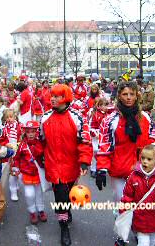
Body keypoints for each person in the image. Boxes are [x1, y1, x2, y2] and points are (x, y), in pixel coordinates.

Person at [40, 84, 93, 246]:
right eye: (52, 96)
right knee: (60, 196)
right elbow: (41, 141)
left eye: (57, 96)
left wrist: (84, 161)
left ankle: (66, 210)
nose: (53, 99)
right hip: (53, 165)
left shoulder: (77, 117)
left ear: (66, 98)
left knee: (68, 195)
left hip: (71, 166)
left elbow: (84, 141)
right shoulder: (45, 118)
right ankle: (64, 227)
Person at [96, 81, 155, 206]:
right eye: (125, 94)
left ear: (137, 96)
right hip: (119, 169)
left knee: (139, 205)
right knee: (122, 205)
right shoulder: (110, 120)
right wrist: (101, 169)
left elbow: (152, 138)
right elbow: (105, 145)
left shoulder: (145, 117)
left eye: (132, 94)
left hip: (142, 169)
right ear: (119, 96)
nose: (128, 97)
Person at [12, 121, 47, 224]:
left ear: (36, 132)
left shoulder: (40, 143)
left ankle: (41, 210)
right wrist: (16, 167)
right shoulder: (22, 145)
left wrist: (36, 145)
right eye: (28, 132)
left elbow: (42, 153)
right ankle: (32, 212)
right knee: (29, 194)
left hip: (38, 172)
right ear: (25, 132)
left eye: (33, 131)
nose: (31, 134)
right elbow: (16, 158)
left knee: (39, 193)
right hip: (26, 173)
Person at [88, 97, 110, 178]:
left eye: (106, 105)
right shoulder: (95, 114)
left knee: (103, 152)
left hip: (104, 136)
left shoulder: (108, 115)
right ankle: (93, 169)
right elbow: (90, 127)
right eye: (104, 105)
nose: (105, 107)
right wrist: (95, 133)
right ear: (99, 106)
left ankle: (101, 168)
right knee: (95, 152)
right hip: (96, 137)